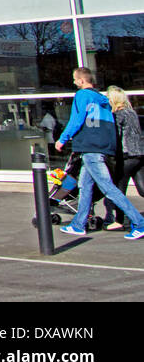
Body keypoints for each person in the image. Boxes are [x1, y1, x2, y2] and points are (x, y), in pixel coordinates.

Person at [55, 68, 144, 239]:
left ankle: (139, 223)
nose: (74, 83)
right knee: (85, 186)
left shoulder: (82, 95)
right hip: (101, 147)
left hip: (90, 147)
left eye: (75, 80)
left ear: (81, 81)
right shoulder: (103, 100)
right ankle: (78, 224)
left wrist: (62, 139)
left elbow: (77, 119)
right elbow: (110, 125)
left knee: (108, 188)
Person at [104, 87, 144, 231]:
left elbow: (116, 136)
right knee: (143, 188)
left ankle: (120, 220)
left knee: (118, 190)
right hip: (139, 154)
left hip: (126, 156)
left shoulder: (118, 115)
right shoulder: (132, 113)